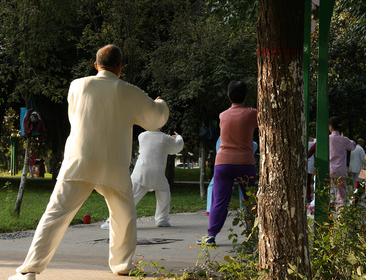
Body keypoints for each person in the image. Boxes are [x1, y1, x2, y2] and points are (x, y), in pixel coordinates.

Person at [9, 44, 169, 280]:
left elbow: (76, 116)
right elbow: (155, 119)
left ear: (96, 65)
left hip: (79, 160)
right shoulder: (127, 90)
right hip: (113, 164)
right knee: (124, 216)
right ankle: (122, 265)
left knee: (55, 215)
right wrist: (161, 103)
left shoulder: (77, 85)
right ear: (120, 67)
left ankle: (29, 270)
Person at [198, 80, 258, 246]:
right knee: (250, 199)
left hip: (223, 162)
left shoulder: (222, 115)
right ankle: (252, 234)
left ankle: (211, 235)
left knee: (219, 200)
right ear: (246, 96)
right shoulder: (252, 113)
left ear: (229, 96)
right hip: (245, 162)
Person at [101, 130, 184, 229]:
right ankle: (162, 219)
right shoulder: (165, 138)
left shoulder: (142, 136)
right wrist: (178, 137)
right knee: (164, 194)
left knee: (130, 197)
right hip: (157, 173)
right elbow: (176, 147)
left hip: (142, 171)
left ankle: (112, 221)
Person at [328, 116, 356, 210]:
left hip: (330, 169)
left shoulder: (328, 139)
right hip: (341, 170)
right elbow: (353, 146)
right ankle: (341, 212)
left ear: (330, 126)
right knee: (342, 194)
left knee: (329, 190)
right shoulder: (344, 140)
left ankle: (329, 208)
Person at [307, 137, 316, 202]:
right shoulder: (312, 143)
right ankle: (308, 196)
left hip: (308, 163)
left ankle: (308, 196)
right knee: (309, 181)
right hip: (310, 164)